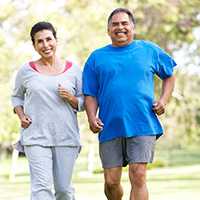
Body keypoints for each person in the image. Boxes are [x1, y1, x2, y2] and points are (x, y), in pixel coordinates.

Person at [83, 8, 176, 200]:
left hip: (143, 122)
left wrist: (163, 100)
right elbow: (90, 93)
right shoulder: (96, 57)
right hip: (109, 124)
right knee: (111, 181)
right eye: (115, 24)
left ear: (133, 27)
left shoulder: (148, 50)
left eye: (124, 23)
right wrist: (92, 117)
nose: (120, 27)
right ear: (108, 30)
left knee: (138, 174)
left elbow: (169, 75)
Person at [11, 21, 84, 200]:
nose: (45, 45)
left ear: (56, 40)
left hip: (66, 137)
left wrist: (71, 98)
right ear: (34, 45)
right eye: (40, 41)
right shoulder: (26, 71)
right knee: (41, 188)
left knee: (64, 190)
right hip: (35, 136)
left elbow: (85, 101)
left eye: (48, 39)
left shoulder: (73, 70)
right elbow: (16, 97)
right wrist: (21, 115)